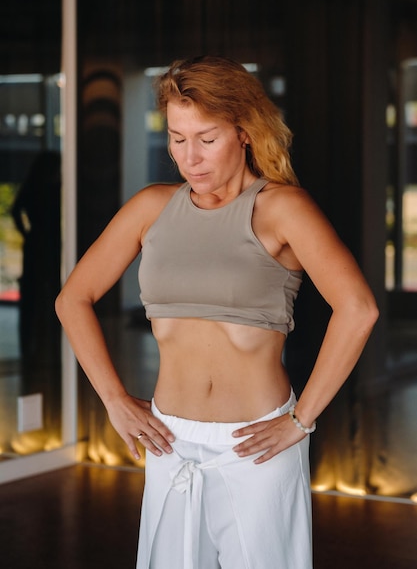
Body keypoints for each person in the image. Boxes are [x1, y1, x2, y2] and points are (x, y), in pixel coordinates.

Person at [55, 56, 379, 569]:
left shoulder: (282, 208)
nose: (190, 157)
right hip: (169, 441)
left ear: (244, 131)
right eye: (177, 139)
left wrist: (302, 419)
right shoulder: (151, 208)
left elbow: (358, 308)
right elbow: (71, 298)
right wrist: (114, 400)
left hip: (255, 445)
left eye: (206, 139)